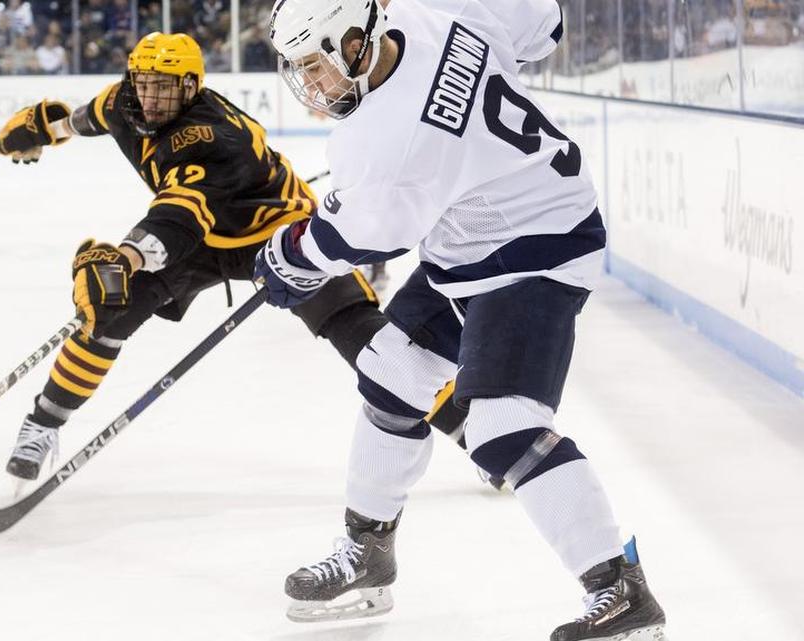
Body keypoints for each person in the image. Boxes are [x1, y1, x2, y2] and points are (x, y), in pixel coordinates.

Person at [256, 0, 667, 639]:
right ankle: (370, 551)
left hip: (537, 248)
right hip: (472, 239)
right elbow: (545, 22)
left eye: (317, 66)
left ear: (355, 42)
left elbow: (356, 237)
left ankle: (620, 592)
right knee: (390, 375)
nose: (311, 85)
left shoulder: (385, 140)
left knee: (504, 428)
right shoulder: (433, 11)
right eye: (299, 69)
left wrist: (286, 259)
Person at [0, 32, 394, 483]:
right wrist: (50, 129)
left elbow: (180, 216)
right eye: (144, 82)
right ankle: (41, 426)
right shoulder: (123, 100)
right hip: (201, 238)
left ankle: (465, 429)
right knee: (107, 311)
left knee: (357, 328)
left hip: (274, 229)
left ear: (191, 86)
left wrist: (125, 258)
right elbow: (91, 118)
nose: (150, 97)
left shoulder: (211, 137)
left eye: (165, 86)